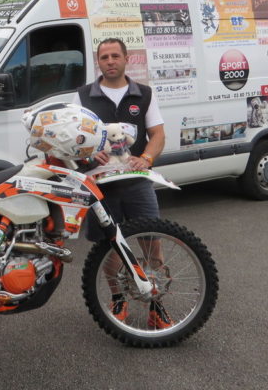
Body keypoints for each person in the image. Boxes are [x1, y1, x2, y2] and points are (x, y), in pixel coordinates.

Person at [72, 37, 170, 329]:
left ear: (126, 59)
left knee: (152, 242)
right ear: (98, 62)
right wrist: (89, 153)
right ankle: (118, 298)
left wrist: (147, 158)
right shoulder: (83, 96)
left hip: (137, 183)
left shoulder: (144, 94)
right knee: (109, 246)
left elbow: (158, 134)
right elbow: (74, 140)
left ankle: (157, 304)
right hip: (101, 185)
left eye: (115, 56)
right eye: (104, 57)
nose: (110, 61)